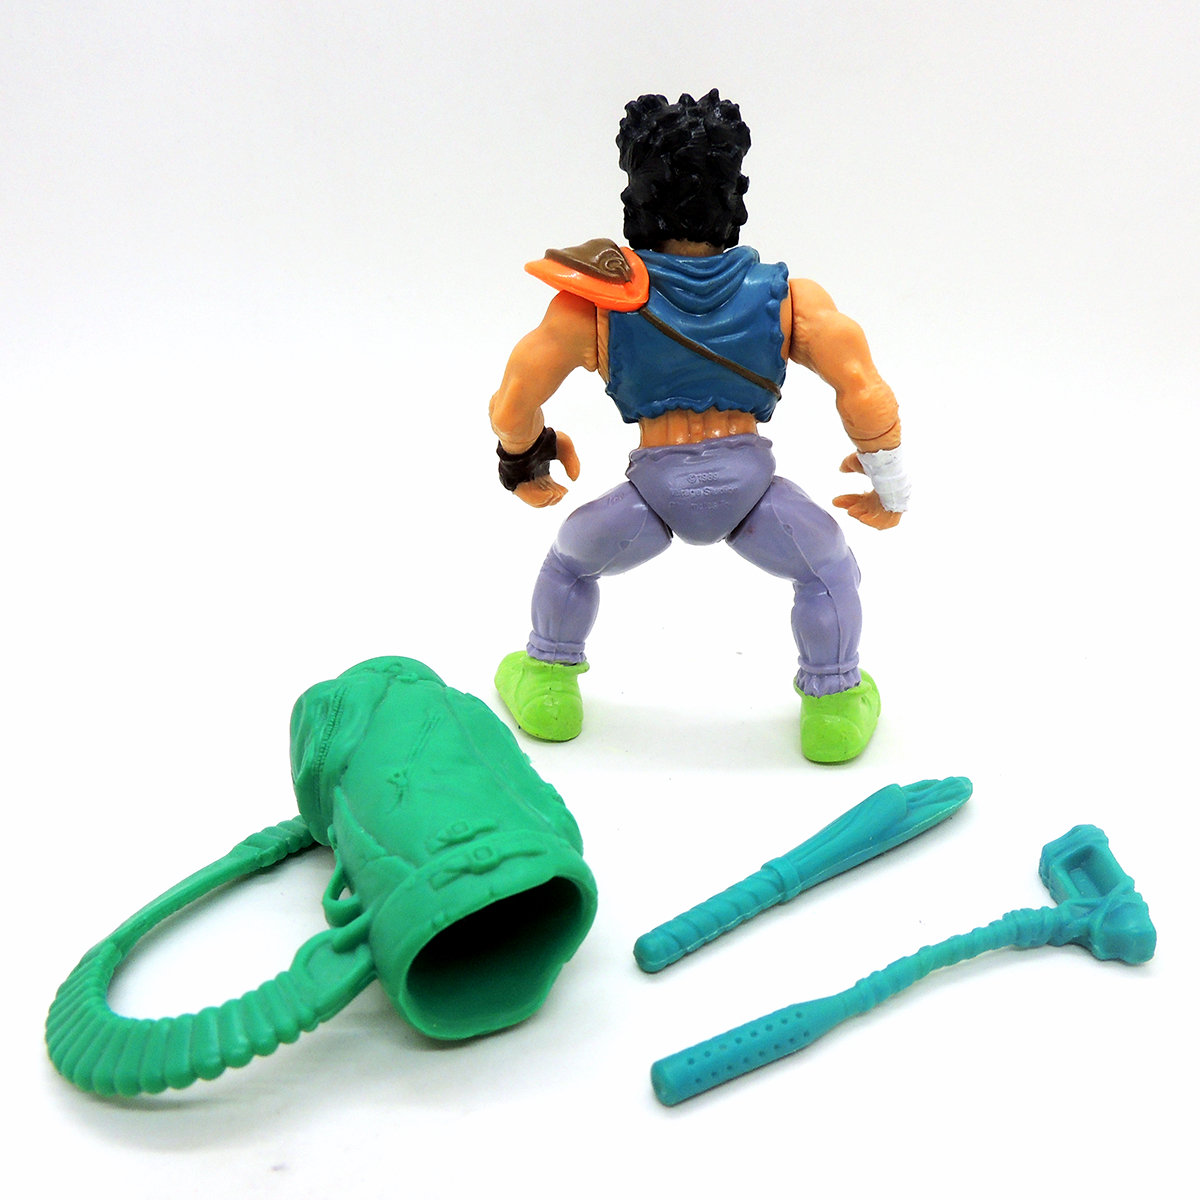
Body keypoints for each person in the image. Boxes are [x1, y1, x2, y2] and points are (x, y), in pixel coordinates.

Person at [488, 91, 908, 763]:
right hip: (753, 489)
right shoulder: (790, 298)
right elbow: (865, 390)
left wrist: (526, 459)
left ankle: (547, 682)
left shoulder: (591, 308)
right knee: (828, 567)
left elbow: (513, 403)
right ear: (735, 191)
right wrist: (888, 483)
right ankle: (834, 705)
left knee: (570, 562)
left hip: (652, 494)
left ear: (635, 193)